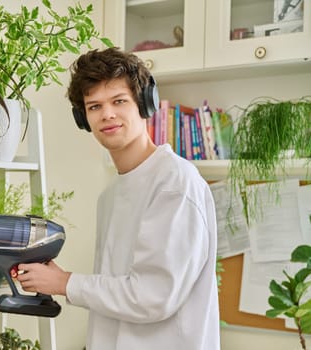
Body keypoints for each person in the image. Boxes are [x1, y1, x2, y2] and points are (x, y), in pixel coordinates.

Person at [13, 47, 220, 349]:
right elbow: (117, 295)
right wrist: (55, 278)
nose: (107, 114)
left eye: (119, 101)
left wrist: (65, 283)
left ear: (145, 104)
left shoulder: (175, 184)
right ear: (83, 118)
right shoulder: (111, 195)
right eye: (94, 106)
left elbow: (153, 296)